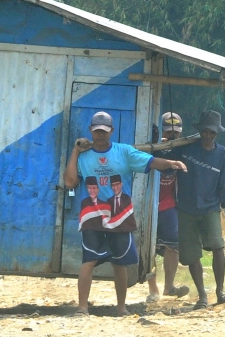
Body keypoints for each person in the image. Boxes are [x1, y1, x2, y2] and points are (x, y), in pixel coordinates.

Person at [64, 111, 187, 317]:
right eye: (96, 131)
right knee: (89, 261)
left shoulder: (125, 152)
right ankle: (82, 307)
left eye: (104, 131)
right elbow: (69, 181)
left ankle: (121, 307)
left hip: (120, 216)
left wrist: (170, 164)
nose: (100, 135)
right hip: (92, 216)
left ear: (111, 131)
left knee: (119, 262)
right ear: (90, 131)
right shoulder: (83, 156)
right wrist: (75, 152)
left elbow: (150, 161)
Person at [167, 110, 225, 310]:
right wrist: (165, 140)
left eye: (211, 133)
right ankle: (202, 296)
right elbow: (166, 161)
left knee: (217, 246)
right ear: (200, 131)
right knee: (191, 254)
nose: (207, 136)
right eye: (205, 132)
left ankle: (220, 291)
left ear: (217, 134)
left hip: (210, 208)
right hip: (186, 209)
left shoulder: (222, 154)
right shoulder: (186, 148)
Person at [146, 112, 189, 303]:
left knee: (173, 244)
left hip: (169, 204)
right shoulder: (152, 148)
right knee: (149, 247)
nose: (172, 136)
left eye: (176, 133)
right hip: (149, 205)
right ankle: (153, 288)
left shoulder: (181, 149)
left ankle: (169, 286)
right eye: (169, 132)